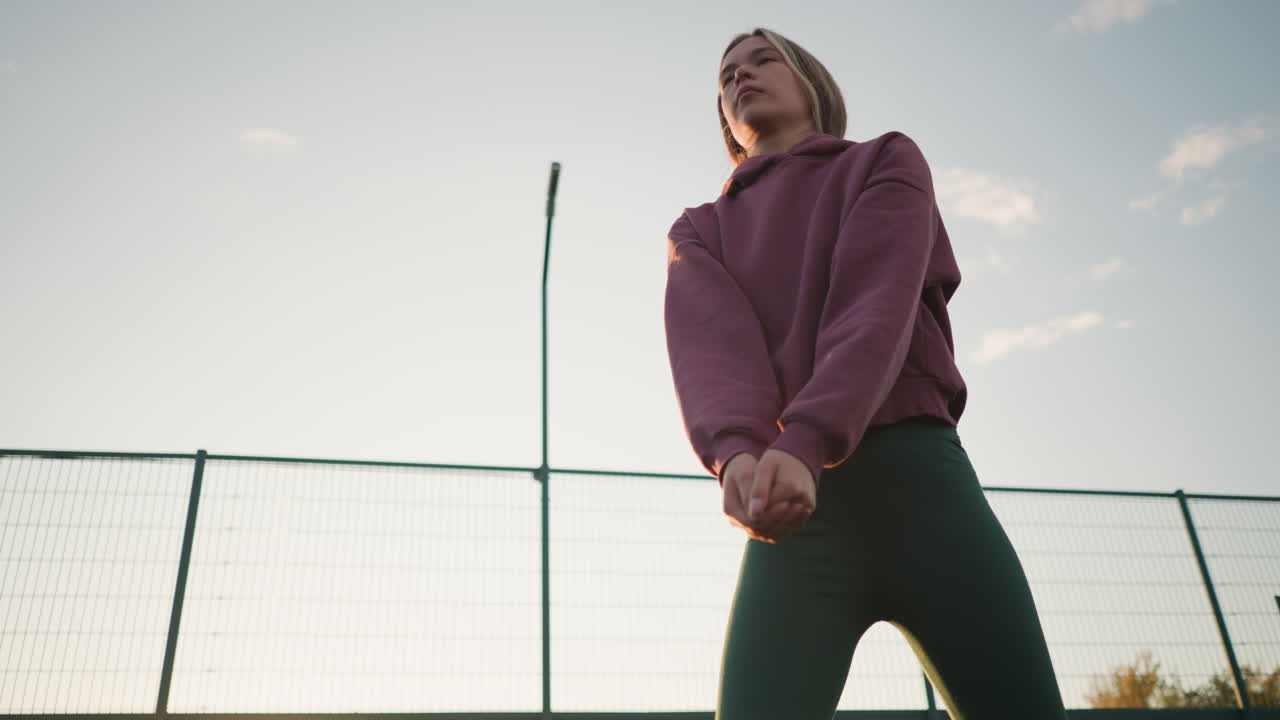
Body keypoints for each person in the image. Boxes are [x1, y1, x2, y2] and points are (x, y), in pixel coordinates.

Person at [663, 27, 1069, 720]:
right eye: (726, 77)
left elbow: (873, 304)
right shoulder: (700, 230)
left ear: (812, 81)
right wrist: (734, 454)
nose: (740, 77)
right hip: (792, 517)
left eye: (764, 60)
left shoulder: (886, 161)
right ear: (724, 121)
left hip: (924, 491)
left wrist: (807, 438)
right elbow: (713, 352)